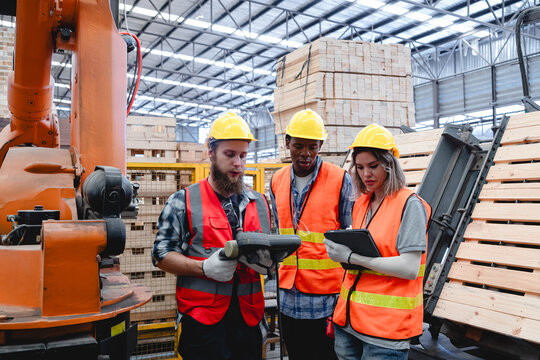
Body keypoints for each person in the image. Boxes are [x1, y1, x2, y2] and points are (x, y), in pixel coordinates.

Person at [152, 112, 273, 360]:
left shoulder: (259, 203)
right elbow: (161, 255)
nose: (238, 163)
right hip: (202, 323)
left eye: (243, 155)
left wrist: (267, 263)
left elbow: (272, 250)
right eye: (230, 155)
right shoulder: (183, 201)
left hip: (248, 320)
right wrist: (204, 267)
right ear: (211, 152)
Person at [323, 123, 431, 360]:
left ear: (389, 164)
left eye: (373, 166)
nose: (366, 174)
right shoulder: (362, 202)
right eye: (360, 167)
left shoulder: (410, 205)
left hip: (385, 332)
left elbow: (409, 268)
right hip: (349, 322)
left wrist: (351, 257)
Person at [270, 109, 354, 360]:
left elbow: (349, 234)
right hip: (287, 292)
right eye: (298, 146)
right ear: (287, 143)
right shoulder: (277, 180)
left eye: (312, 147)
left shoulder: (340, 179)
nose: (305, 154)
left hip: (325, 296)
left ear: (321, 146)